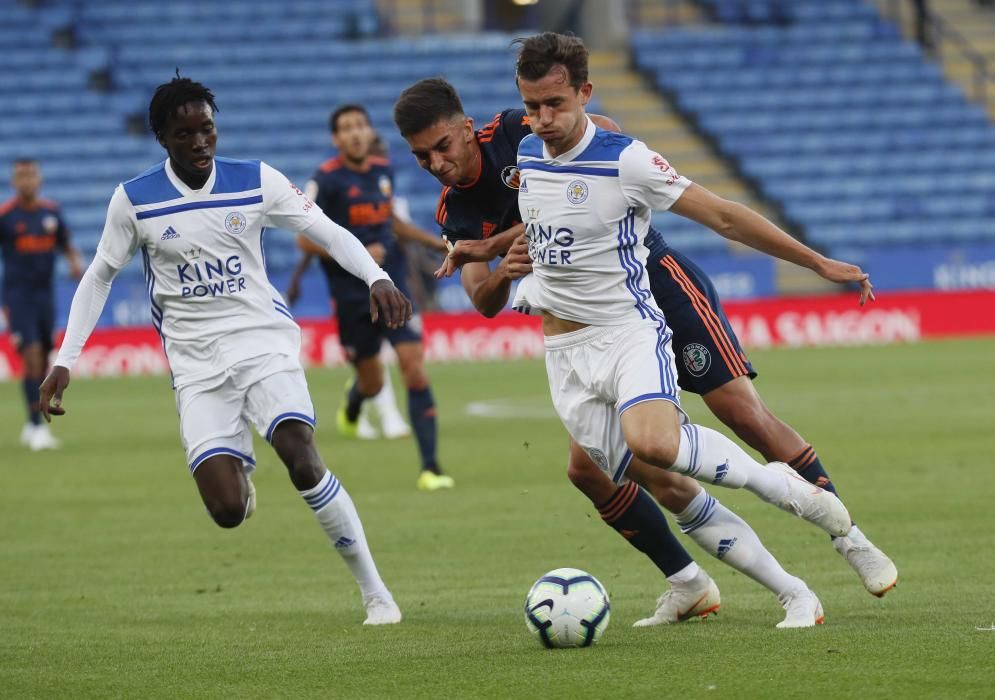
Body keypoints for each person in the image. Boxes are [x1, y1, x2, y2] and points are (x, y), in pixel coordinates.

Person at [395, 80, 845, 629]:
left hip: (646, 281)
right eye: (422, 156)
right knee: (590, 471)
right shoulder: (455, 210)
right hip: (575, 328)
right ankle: (689, 582)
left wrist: (503, 242)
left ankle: (850, 536)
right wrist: (503, 271)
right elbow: (481, 298)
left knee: (737, 412)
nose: (436, 163)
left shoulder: (519, 130)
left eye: (443, 146)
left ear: (467, 130)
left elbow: (606, 139)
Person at [510, 32, 903, 622]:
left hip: (629, 327)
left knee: (682, 434)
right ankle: (790, 591)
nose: (542, 119)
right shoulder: (526, 156)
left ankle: (819, 510)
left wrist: (817, 261)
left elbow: (722, 214)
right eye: (531, 106)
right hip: (563, 352)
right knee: (658, 478)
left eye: (555, 105)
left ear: (585, 93)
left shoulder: (626, 159)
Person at [38, 76, 410, 625]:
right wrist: (65, 359)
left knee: (302, 457)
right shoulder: (134, 200)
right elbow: (98, 278)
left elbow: (328, 232)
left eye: (206, 129)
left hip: (262, 341)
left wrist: (376, 276)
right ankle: (240, 480)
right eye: (184, 133)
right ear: (163, 137)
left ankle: (376, 593)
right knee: (227, 512)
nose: (199, 142)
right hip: (195, 365)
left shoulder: (255, 180)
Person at [286, 104, 453, 492]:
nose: (356, 133)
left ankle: (431, 467)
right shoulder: (324, 181)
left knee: (414, 366)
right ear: (336, 139)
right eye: (346, 128)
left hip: (391, 286)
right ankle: (356, 401)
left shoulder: (383, 171)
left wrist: (437, 243)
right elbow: (302, 239)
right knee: (374, 381)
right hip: (351, 294)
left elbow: (392, 222)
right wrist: (357, 251)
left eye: (360, 125)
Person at [0, 158, 83, 451]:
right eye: (21, 176)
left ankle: (30, 425)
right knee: (32, 355)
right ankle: (36, 426)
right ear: (13, 182)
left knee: (46, 356)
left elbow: (65, 243)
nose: (27, 181)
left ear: (39, 180)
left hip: (45, 296)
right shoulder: (6, 216)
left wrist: (75, 263)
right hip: (18, 296)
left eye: (31, 175)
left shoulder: (51, 213)